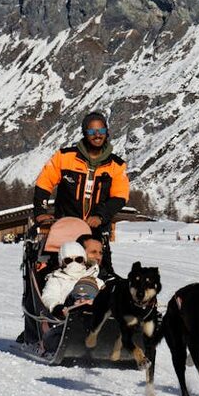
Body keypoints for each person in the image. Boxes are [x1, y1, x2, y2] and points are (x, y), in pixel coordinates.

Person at [32, 110, 129, 277]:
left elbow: (120, 196)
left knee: (102, 274)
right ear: (85, 133)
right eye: (92, 131)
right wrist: (41, 212)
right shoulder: (64, 157)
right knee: (59, 272)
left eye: (101, 131)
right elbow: (44, 183)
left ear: (107, 132)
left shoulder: (116, 165)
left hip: (96, 231)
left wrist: (100, 216)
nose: (97, 135)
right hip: (65, 228)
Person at [39, 241, 104, 352]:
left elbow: (105, 293)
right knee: (53, 339)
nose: (74, 263)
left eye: (78, 259)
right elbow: (49, 295)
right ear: (62, 262)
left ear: (84, 260)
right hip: (65, 320)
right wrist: (56, 307)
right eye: (68, 260)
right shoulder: (56, 279)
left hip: (94, 320)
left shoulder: (93, 278)